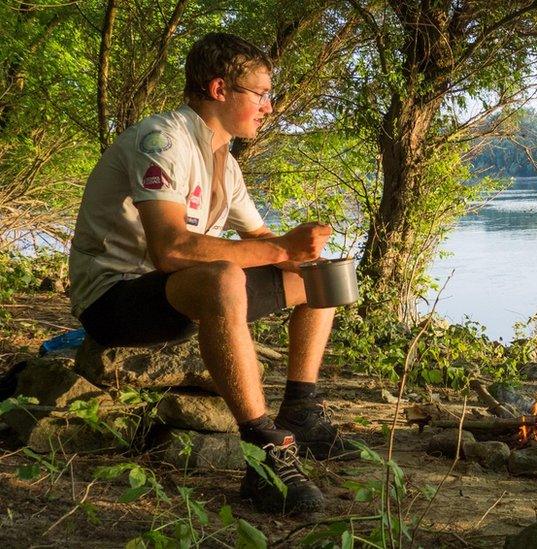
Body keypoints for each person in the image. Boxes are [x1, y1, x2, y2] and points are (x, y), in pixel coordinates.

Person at [68, 32, 355, 515]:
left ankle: (302, 408)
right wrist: (279, 248)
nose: (269, 107)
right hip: (115, 299)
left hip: (180, 295)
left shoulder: (228, 166)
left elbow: (265, 245)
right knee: (224, 276)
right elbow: (171, 249)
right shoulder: (161, 139)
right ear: (221, 90)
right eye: (261, 94)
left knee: (314, 277)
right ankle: (264, 451)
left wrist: (300, 255)